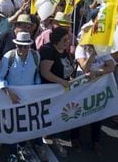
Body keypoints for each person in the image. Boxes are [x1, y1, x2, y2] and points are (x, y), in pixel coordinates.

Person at [0, 32, 47, 162]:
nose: (22, 49)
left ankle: (23, 146)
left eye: (25, 46)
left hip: (29, 97)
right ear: (16, 45)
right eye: (20, 46)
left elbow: (36, 76)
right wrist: (8, 92)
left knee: (27, 123)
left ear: (30, 46)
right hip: (12, 98)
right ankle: (12, 152)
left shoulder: (36, 56)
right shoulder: (8, 57)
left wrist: (36, 90)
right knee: (13, 125)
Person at [70, 42, 115, 155]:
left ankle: (95, 141)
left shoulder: (102, 48)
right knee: (79, 112)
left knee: (97, 113)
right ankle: (75, 138)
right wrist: (93, 54)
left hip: (97, 88)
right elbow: (85, 68)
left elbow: (111, 66)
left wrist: (97, 72)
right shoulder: (80, 48)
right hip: (82, 89)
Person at [39, 26, 75, 158]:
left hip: (61, 90)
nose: (67, 42)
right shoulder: (48, 50)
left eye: (68, 39)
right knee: (47, 116)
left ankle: (55, 139)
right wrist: (61, 81)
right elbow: (45, 72)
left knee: (58, 116)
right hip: (49, 91)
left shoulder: (63, 50)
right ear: (56, 40)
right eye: (65, 40)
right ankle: (41, 142)